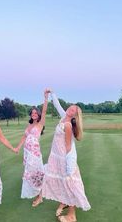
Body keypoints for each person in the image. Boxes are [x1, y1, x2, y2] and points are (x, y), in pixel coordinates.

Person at [41, 90, 91, 222]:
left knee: (69, 184)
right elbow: (57, 106)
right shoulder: (64, 117)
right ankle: (65, 205)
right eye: (71, 107)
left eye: (73, 110)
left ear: (75, 115)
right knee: (63, 183)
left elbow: (68, 147)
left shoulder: (68, 125)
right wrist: (52, 93)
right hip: (56, 157)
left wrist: (69, 166)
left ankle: (72, 216)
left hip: (64, 159)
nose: (70, 109)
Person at [15, 89, 49, 206]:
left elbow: (44, 111)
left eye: (36, 113)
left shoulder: (40, 124)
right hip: (27, 153)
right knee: (31, 173)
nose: (34, 114)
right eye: (32, 113)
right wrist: (18, 147)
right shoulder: (29, 125)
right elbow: (24, 137)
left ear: (38, 114)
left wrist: (45, 98)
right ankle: (39, 193)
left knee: (37, 173)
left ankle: (40, 196)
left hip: (34, 153)